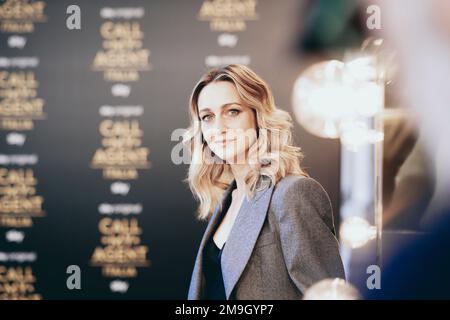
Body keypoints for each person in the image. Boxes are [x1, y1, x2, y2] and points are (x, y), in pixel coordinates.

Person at [184, 64, 345, 300]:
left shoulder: (293, 193)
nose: (218, 128)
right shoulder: (228, 200)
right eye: (207, 117)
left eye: (232, 112)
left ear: (258, 116)